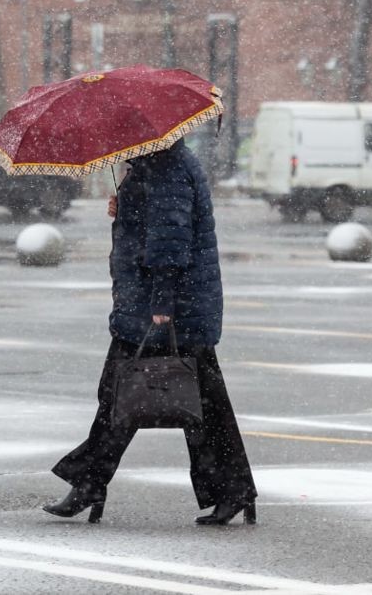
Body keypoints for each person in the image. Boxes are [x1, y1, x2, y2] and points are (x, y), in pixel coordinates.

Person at [44, 138, 258, 525]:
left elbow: (170, 240)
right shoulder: (156, 163)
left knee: (126, 397)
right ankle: (232, 490)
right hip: (161, 306)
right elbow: (156, 224)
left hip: (164, 310)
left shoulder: (167, 168)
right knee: (180, 404)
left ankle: (90, 483)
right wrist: (125, 208)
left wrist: (162, 303)